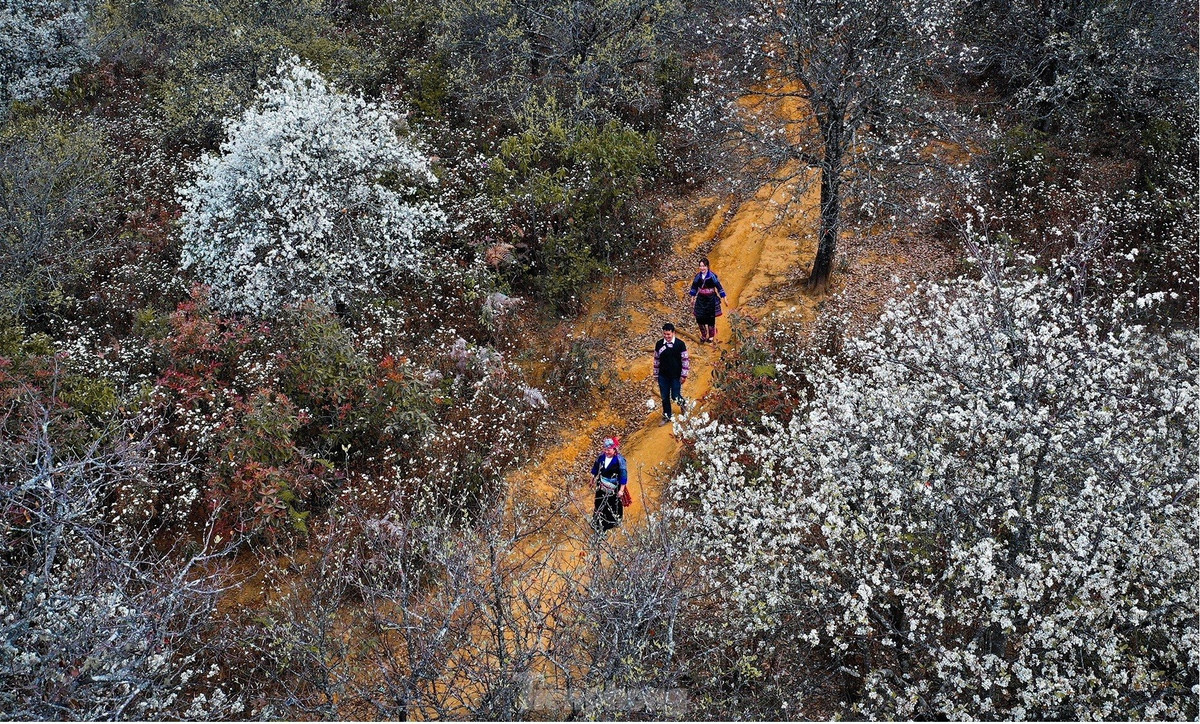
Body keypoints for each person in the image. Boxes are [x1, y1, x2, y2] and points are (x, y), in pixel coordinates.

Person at [589, 437, 628, 533]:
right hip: (601, 485)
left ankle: (612, 523)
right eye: (605, 449)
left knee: (612, 505)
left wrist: (621, 490)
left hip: (614, 488)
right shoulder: (601, 457)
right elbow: (595, 468)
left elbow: (623, 476)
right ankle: (597, 524)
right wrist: (592, 479)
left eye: (609, 450)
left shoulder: (620, 460)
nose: (606, 451)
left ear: (614, 449)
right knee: (599, 504)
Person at [653, 322, 689, 424]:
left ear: (673, 333)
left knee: (675, 395)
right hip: (663, 375)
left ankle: (683, 404)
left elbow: (685, 360)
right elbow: (656, 359)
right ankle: (666, 416)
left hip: (675, 375)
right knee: (664, 397)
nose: (666, 336)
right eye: (665, 334)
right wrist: (656, 374)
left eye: (668, 334)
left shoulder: (680, 344)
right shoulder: (659, 344)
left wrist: (684, 374)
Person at [688, 257, 728, 343]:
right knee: (699, 317)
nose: (702, 268)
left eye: (704, 266)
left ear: (707, 266)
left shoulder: (712, 276)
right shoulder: (697, 277)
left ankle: (711, 336)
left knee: (710, 318)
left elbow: (719, 286)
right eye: (700, 266)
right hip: (701, 299)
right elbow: (694, 287)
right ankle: (703, 334)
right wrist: (692, 298)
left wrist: (724, 298)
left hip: (711, 299)